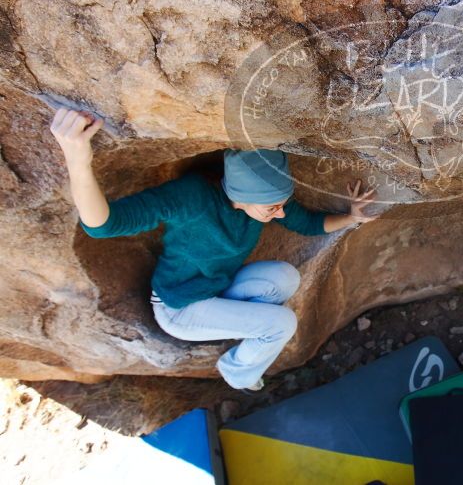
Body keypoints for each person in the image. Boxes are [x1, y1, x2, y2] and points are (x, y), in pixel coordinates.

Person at [49, 107, 377, 391]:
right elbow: (102, 226)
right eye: (274, 208)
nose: (280, 214)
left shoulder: (263, 200)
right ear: (245, 196)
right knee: (282, 323)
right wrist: (77, 158)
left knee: (284, 277)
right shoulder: (191, 199)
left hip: (216, 290)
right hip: (180, 307)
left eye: (282, 205)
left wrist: (351, 217)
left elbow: (307, 223)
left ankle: (244, 326)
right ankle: (237, 373)